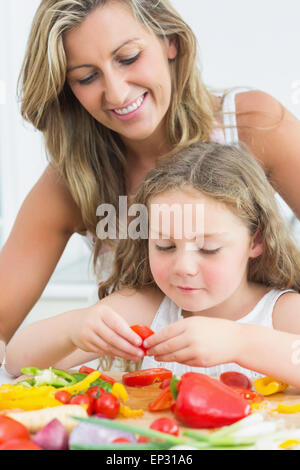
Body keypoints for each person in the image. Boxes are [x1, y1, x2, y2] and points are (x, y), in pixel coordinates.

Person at [1, 0, 300, 353]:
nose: (116, 92)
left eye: (128, 58)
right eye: (86, 77)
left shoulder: (251, 123)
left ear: (170, 40)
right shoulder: (74, 178)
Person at [5, 142, 300, 387]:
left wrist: (240, 341)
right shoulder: (146, 309)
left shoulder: (280, 313)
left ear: (255, 240)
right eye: (165, 245)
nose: (183, 266)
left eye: (208, 249)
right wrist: (71, 328)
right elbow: (17, 363)